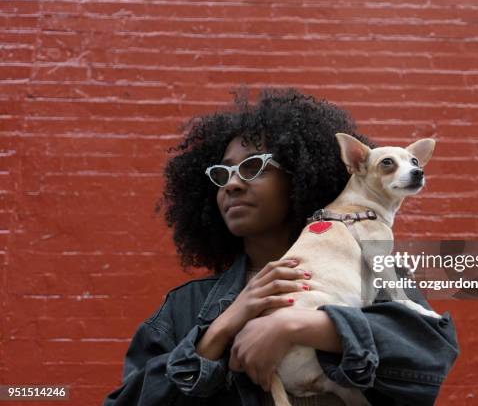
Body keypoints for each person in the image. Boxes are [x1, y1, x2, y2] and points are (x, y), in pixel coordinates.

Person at [102, 86, 459, 406]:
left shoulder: (371, 269)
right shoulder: (186, 308)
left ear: (301, 175)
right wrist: (219, 333)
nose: (233, 185)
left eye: (254, 167)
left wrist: (295, 325)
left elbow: (432, 353)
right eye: (223, 173)